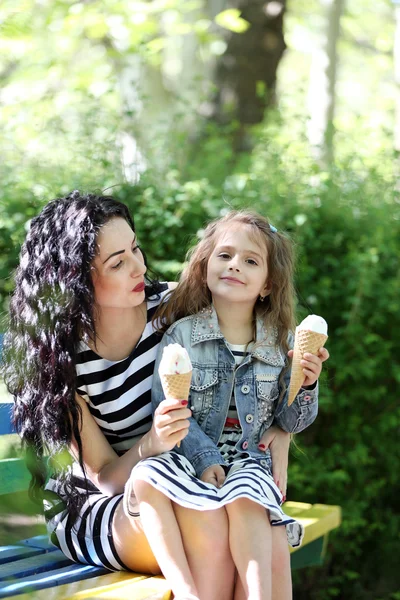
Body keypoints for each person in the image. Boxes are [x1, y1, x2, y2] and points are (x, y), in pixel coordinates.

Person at [1, 193, 292, 600]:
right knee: (216, 525)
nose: (138, 266)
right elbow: (103, 477)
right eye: (117, 262)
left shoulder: (176, 310)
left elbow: (257, 356)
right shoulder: (60, 364)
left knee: (258, 523)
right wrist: (153, 443)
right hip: (107, 505)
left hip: (191, 482)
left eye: (134, 249)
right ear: (75, 281)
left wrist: (283, 425)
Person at [126, 210, 330, 600]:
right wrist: (205, 459)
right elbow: (169, 407)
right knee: (149, 472)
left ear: (267, 285)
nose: (234, 265)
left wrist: (308, 382)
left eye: (250, 260)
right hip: (191, 459)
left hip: (248, 460)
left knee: (249, 491)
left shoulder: (280, 342)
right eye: (224, 255)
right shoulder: (181, 336)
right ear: (205, 268)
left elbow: (290, 419)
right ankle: (187, 592)